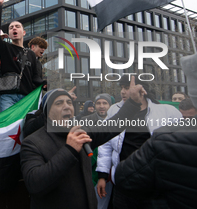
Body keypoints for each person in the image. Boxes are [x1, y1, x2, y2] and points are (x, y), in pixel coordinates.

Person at [21, 78, 146, 209]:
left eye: (69, 102)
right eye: (59, 103)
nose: (67, 106)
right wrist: (69, 150)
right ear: (47, 114)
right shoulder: (32, 143)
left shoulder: (82, 133)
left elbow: (112, 126)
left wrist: (133, 102)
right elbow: (34, 184)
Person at [96, 75, 183, 209]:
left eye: (127, 87)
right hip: (123, 184)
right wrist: (102, 175)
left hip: (154, 186)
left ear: (142, 90)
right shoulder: (114, 110)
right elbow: (105, 146)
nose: (123, 92)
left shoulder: (167, 112)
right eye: (122, 88)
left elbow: (179, 148)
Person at [0, 0, 45, 112]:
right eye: (11, 28)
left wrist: (44, 83)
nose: (14, 28)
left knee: (27, 127)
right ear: (9, 35)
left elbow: (35, 76)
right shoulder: (5, 48)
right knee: (7, 128)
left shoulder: (30, 54)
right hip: (8, 97)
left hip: (27, 98)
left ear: (23, 32)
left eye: (17, 26)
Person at [84, 94, 113, 209]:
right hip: (90, 172)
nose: (101, 106)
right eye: (98, 103)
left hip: (109, 175)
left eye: (105, 103)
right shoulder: (85, 121)